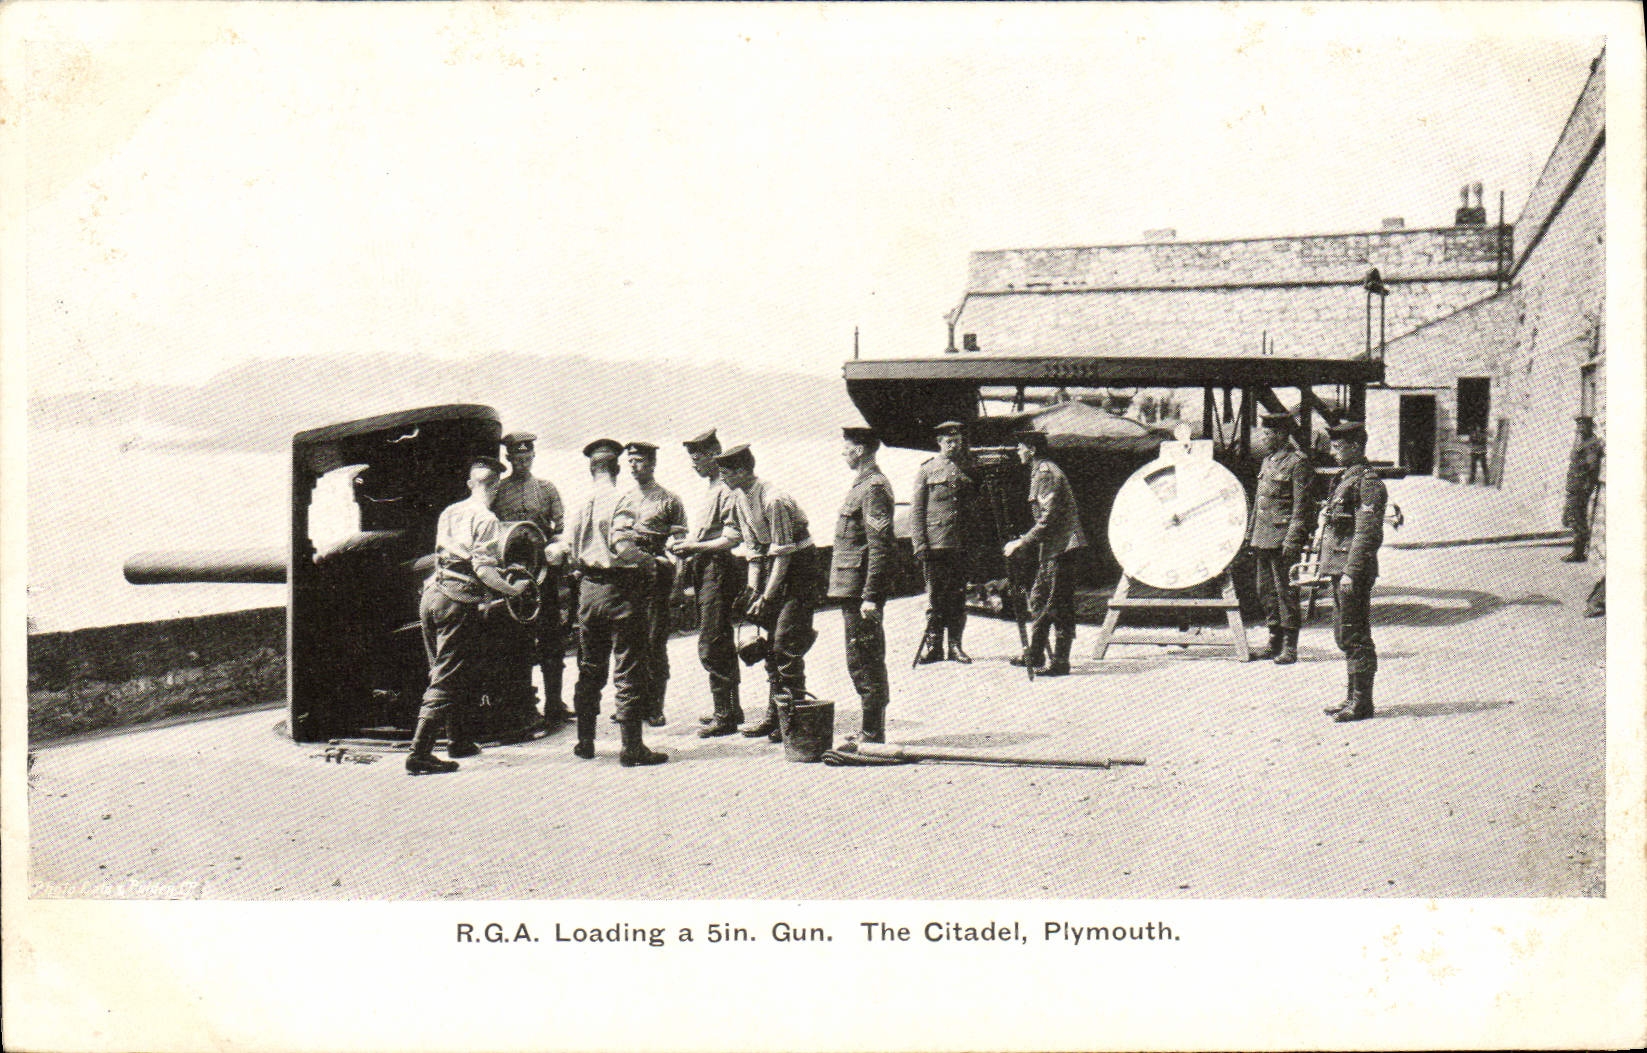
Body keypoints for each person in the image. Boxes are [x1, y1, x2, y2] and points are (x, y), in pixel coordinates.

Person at [409, 457, 526, 775]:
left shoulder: (450, 511)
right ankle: (419, 754)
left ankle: (458, 740)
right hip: (456, 602)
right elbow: (484, 570)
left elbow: (443, 555)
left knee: (446, 670)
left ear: (471, 484)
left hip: (432, 596)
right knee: (447, 677)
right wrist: (513, 590)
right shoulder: (486, 519)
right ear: (496, 487)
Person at [565, 438, 667, 766]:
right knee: (628, 668)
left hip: (588, 592)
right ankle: (631, 747)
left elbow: (567, 552)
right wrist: (649, 562)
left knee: (590, 668)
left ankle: (585, 741)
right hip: (620, 591)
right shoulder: (622, 498)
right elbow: (623, 545)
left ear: (591, 469)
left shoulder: (581, 503)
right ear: (617, 468)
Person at [716, 444, 820, 742]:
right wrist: (753, 594)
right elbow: (755, 552)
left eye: (726, 472)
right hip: (773, 566)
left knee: (785, 643)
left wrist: (768, 596)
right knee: (770, 646)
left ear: (742, 471)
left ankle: (795, 721)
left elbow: (784, 553)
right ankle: (776, 716)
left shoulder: (773, 499)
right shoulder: (740, 498)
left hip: (799, 569)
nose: (722, 478)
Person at [668, 428, 746, 738]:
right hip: (706, 568)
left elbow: (732, 538)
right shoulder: (713, 488)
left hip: (718, 568)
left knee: (712, 641)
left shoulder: (725, 490)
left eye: (698, 458)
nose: (694, 464)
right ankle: (730, 709)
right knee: (718, 639)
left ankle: (725, 715)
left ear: (715, 455)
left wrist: (692, 546)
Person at [492, 431, 573, 728]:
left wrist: (558, 547)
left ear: (533, 456)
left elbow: (560, 529)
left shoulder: (546, 489)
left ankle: (555, 703)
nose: (523, 461)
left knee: (552, 639)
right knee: (518, 643)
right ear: (509, 458)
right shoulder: (498, 491)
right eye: (517, 457)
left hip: (544, 572)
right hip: (513, 577)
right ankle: (525, 706)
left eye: (527, 456)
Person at [829, 426, 896, 744]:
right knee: (860, 657)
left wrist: (871, 595)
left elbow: (880, 546)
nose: (843, 454)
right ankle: (870, 728)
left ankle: (872, 733)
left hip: (860, 591)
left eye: (846, 448)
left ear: (859, 450)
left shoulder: (873, 487)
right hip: (852, 588)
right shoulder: (862, 485)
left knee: (865, 658)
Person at [614, 441, 688, 728]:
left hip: (657, 573)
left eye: (640, 460)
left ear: (653, 463)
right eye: (630, 461)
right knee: (630, 640)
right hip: (629, 575)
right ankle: (631, 704)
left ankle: (655, 706)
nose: (634, 466)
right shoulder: (624, 499)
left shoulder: (669, 499)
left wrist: (679, 582)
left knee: (655, 641)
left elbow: (680, 546)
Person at [1002, 430, 1087, 677]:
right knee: (1039, 599)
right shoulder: (1039, 471)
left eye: (1021, 447)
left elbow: (1048, 517)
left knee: (1056, 603)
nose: (1018, 451)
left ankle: (1060, 661)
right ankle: (1036, 652)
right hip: (1053, 548)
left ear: (1032, 450)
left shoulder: (1045, 474)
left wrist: (1022, 542)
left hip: (1062, 548)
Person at [1318, 420, 1386, 723]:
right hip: (1340, 568)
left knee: (1356, 634)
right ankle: (1351, 697)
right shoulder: (1346, 478)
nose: (1333, 453)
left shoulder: (1367, 483)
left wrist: (1351, 572)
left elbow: (1366, 533)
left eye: (1338, 447)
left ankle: (1362, 703)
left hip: (1351, 571)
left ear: (1356, 447)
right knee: (1344, 633)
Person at [1244, 411, 1313, 665]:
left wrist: (1293, 539)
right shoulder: (1268, 461)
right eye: (1264, 433)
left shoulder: (1297, 463)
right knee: (1265, 591)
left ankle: (1289, 646)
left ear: (1282, 434)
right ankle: (1273, 640)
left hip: (1283, 538)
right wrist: (1250, 534)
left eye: (1268, 433)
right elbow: (1259, 503)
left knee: (1286, 592)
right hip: (1263, 536)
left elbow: (1301, 507)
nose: (1263, 438)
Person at [910, 420, 979, 664]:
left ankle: (955, 646)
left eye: (957, 441)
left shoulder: (969, 467)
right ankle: (934, 646)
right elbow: (917, 511)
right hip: (936, 545)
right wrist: (920, 545)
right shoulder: (927, 470)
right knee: (935, 598)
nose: (954, 445)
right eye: (949, 441)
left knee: (958, 597)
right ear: (939, 442)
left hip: (961, 544)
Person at [1561, 415, 1604, 563]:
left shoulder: (1591, 444)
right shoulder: (1583, 442)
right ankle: (1578, 551)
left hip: (1580, 488)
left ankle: (1578, 553)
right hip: (1574, 486)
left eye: (1582, 426)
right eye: (1578, 426)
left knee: (1578, 519)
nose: (1579, 429)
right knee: (1573, 518)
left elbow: (1592, 468)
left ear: (1590, 427)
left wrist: (1586, 488)